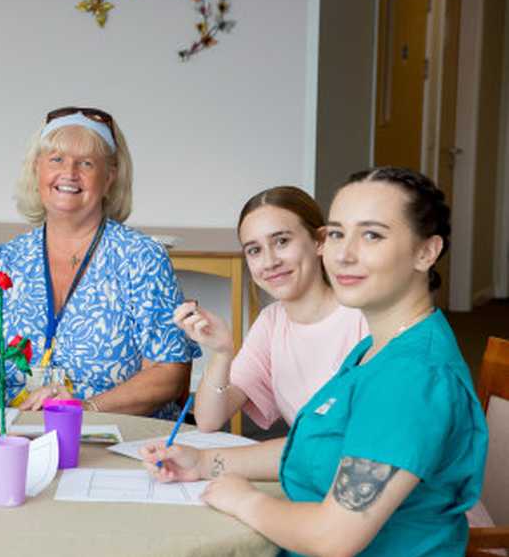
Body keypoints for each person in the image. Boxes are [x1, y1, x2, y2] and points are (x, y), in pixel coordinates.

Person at [142, 167, 488, 555]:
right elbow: (323, 447)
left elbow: (333, 537)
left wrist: (244, 500)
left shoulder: (410, 377)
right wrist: (205, 463)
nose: (344, 253)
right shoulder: (378, 349)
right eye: (338, 234)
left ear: (426, 251)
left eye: (372, 235)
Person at [0, 107, 200, 418]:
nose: (69, 173)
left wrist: (83, 410)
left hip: (114, 439)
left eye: (86, 163)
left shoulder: (142, 259)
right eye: (56, 159)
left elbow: (168, 373)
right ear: (36, 169)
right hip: (15, 439)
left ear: (110, 177)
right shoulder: (3, 261)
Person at [175, 186, 368, 432]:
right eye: (255, 250)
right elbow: (209, 419)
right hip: (308, 463)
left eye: (282, 241)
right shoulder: (272, 321)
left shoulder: (364, 318)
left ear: (320, 241)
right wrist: (222, 353)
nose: (269, 262)